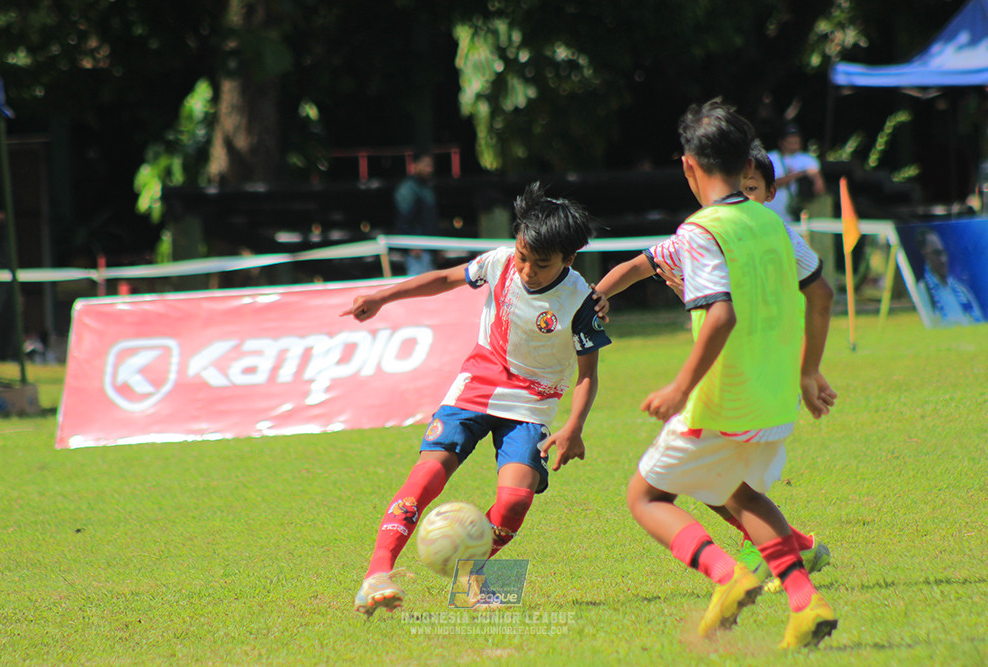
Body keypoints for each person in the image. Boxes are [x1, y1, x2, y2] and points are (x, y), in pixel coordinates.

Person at [597, 99, 837, 649]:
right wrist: (808, 372)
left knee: (645, 497)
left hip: (724, 398)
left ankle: (727, 575)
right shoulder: (772, 223)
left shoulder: (701, 231)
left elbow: (720, 315)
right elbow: (822, 293)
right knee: (741, 496)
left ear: (689, 165)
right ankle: (807, 603)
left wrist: (679, 386)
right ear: (746, 161)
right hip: (775, 395)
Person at [345, 182, 611, 617]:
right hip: (476, 388)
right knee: (425, 479)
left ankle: (472, 577)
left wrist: (574, 427)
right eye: (522, 256)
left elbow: (588, 374)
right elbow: (445, 278)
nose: (526, 270)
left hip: (531, 404)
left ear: (569, 259)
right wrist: (382, 296)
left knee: (516, 501)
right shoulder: (500, 262)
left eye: (541, 264)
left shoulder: (581, 300)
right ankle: (376, 575)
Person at [914, 226, 984, 327]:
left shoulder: (961, 291)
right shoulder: (922, 291)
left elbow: (979, 322)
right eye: (936, 254)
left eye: (943, 253)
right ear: (925, 256)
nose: (942, 260)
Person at [766, 123, 825, 222]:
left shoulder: (808, 159)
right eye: (790, 140)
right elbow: (770, 185)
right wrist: (800, 174)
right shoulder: (770, 158)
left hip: (796, 213)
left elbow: (820, 188)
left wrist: (817, 180)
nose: (794, 143)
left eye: (796, 140)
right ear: (781, 142)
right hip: (773, 212)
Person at [393, 151, 439, 275]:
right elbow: (403, 220)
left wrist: (437, 248)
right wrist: (411, 245)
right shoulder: (407, 189)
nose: (429, 169)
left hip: (429, 249)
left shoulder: (427, 188)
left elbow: (430, 221)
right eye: (426, 165)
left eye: (431, 166)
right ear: (415, 165)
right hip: (416, 252)